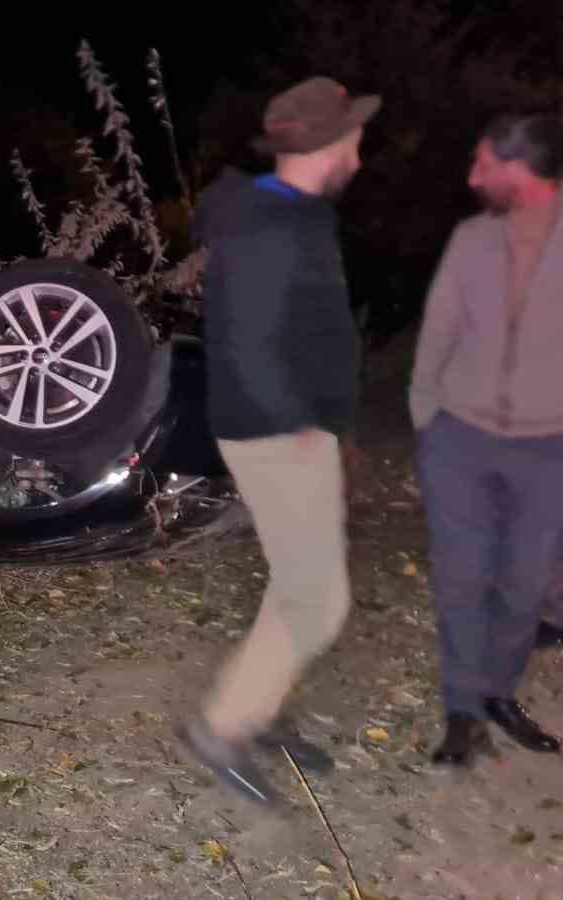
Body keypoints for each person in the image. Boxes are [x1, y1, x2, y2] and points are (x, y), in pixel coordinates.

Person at [176, 76, 380, 806]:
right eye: (354, 134)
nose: (362, 146)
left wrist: (335, 425)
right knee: (317, 600)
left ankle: (256, 709)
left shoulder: (293, 213)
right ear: (328, 144)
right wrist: (298, 429)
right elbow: (252, 342)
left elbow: (309, 328)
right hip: (276, 432)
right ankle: (220, 728)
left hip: (293, 426)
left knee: (298, 585)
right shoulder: (270, 224)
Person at [408, 110, 563, 766]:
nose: (472, 177)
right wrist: (426, 416)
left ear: (520, 170)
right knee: (461, 580)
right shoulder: (471, 237)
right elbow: (439, 327)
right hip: (460, 440)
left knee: (524, 585)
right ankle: (463, 711)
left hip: (548, 448)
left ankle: (499, 691)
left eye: (483, 165)